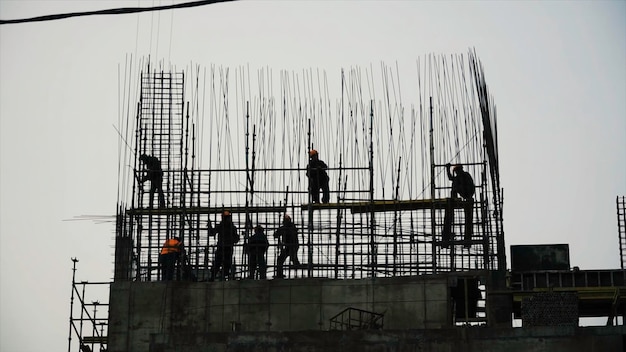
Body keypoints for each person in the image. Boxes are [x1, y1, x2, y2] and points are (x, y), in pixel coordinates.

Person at [443, 163, 475, 246]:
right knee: (454, 184)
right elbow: (452, 178)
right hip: (467, 193)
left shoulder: (463, 176)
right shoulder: (464, 175)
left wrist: (447, 169)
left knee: (454, 185)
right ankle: (455, 198)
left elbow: (451, 178)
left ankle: (454, 198)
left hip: (467, 192)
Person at [208, 210, 240, 281]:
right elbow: (236, 239)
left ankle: (216, 276)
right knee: (223, 263)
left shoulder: (222, 226)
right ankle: (220, 276)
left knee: (220, 263)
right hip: (226, 247)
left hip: (223, 247)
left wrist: (210, 225)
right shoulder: (231, 227)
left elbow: (211, 233)